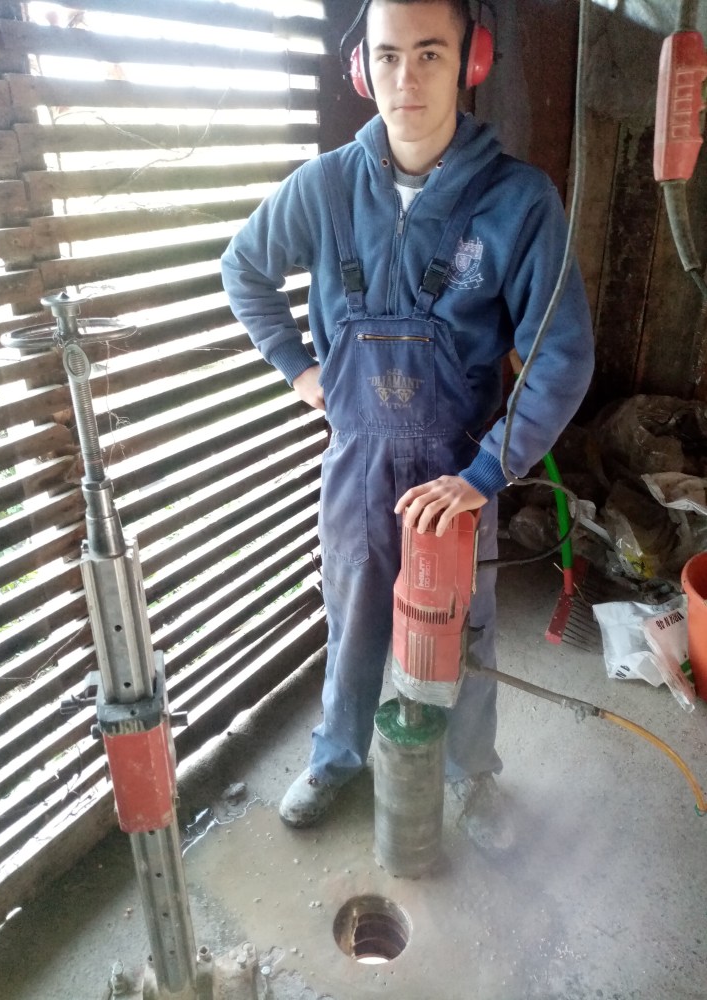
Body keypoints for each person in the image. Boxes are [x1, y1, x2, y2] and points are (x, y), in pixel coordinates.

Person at [221, 0, 594, 851]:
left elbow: (564, 356)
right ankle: (337, 757)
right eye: (387, 56)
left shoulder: (520, 203)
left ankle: (469, 773)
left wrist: (486, 473)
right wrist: (300, 372)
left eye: (430, 54)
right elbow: (242, 268)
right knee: (353, 615)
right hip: (355, 463)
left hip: (458, 471)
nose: (406, 78)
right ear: (362, 68)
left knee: (463, 629)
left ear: (472, 61)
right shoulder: (323, 189)